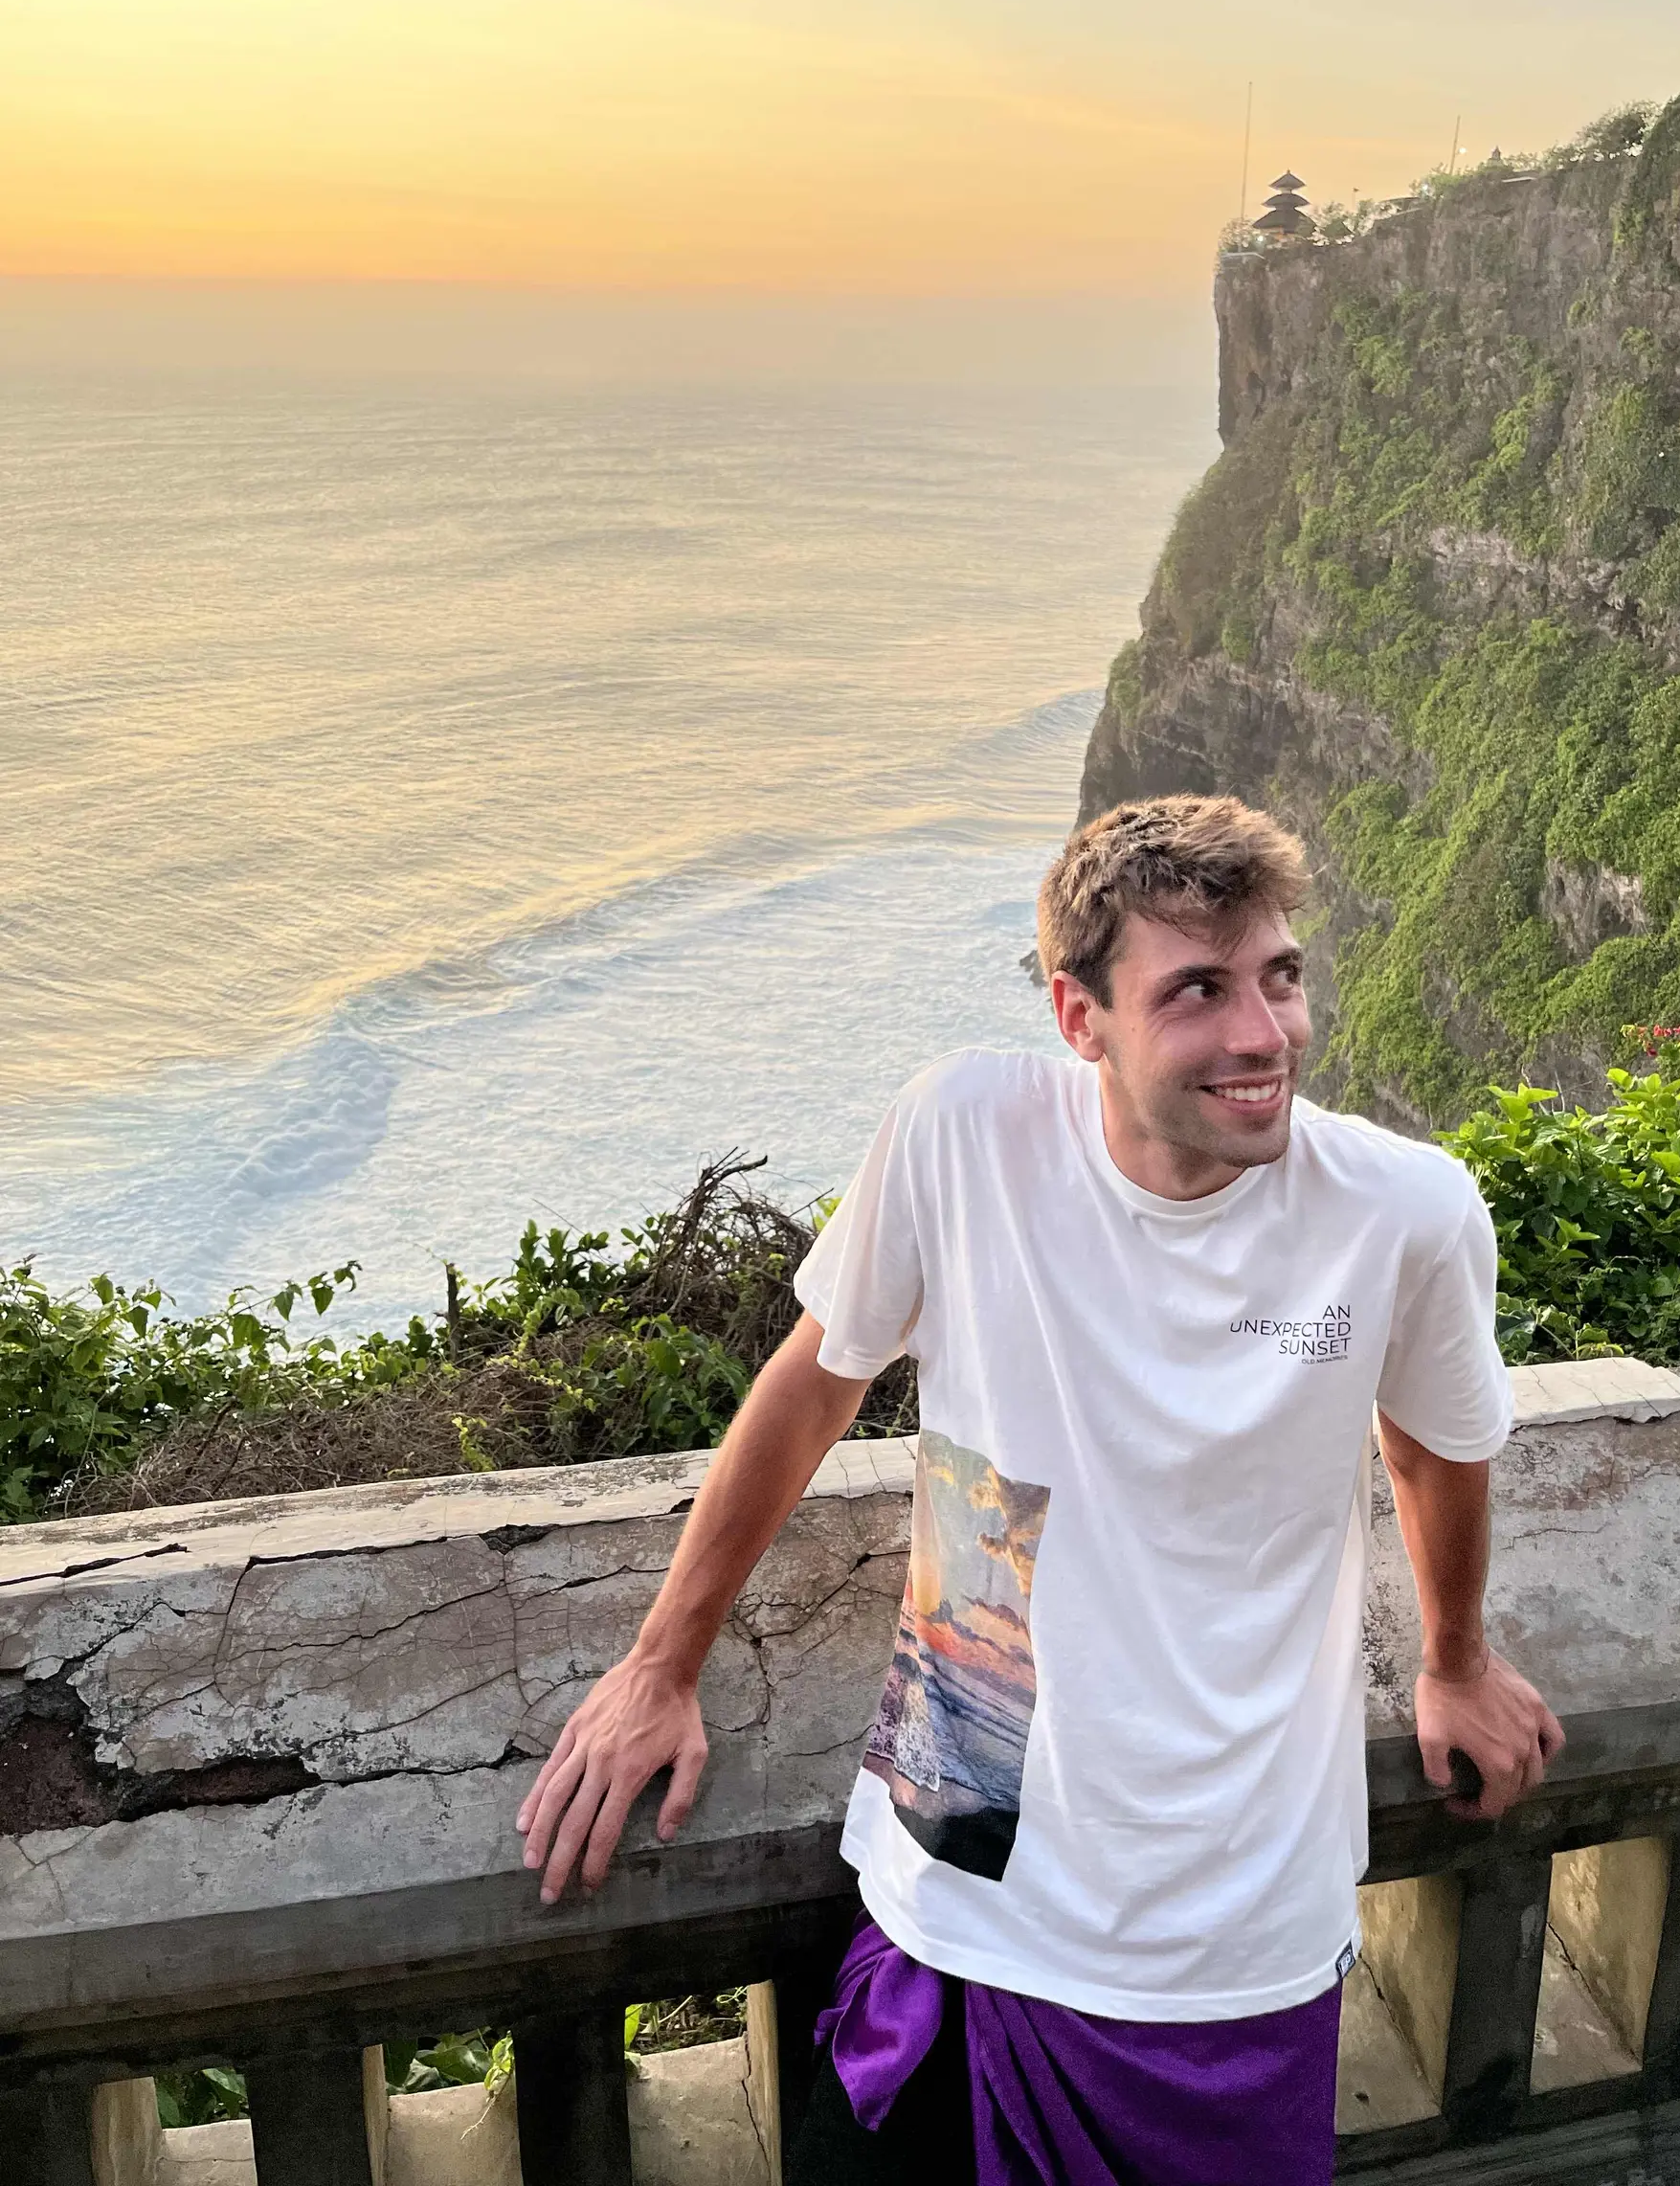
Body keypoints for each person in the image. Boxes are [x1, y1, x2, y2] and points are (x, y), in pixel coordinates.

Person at [515, 794, 1564, 2182]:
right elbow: (816, 1382)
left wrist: (1456, 1658)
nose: (1264, 1033)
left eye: (1281, 976)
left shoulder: (1401, 1211)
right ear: (1082, 1018)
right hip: (958, 1888)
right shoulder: (965, 1135)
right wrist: (663, 1662)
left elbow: (1433, 1447)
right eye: (1197, 991)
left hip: (1234, 1925)